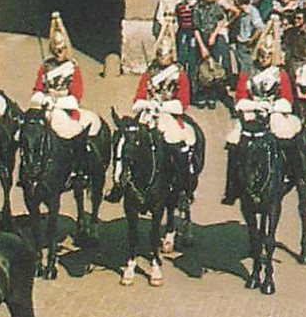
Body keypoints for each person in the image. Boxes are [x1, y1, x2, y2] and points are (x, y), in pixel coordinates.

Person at [222, 19, 306, 207]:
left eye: (268, 55)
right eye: (262, 54)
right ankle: (232, 187)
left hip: (275, 112)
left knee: (291, 139)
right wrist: (254, 106)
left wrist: (273, 107)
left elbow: (287, 99)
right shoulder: (248, 72)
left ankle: (299, 179)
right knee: (234, 144)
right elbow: (240, 97)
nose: (264, 58)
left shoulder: (280, 74)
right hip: (252, 112)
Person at [112, 19, 199, 200]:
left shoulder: (179, 74)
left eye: (165, 54)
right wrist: (147, 104)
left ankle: (181, 185)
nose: (161, 57)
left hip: (169, 116)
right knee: (125, 140)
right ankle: (120, 182)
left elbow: (183, 103)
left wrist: (162, 106)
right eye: (159, 53)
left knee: (176, 145)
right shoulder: (149, 73)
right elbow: (138, 98)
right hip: (148, 114)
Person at [30, 12, 102, 141]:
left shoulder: (73, 68)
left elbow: (76, 96)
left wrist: (56, 103)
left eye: (62, 49)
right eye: (56, 50)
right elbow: (37, 90)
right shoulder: (46, 66)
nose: (59, 53)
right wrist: (43, 99)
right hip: (45, 108)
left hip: (66, 111)